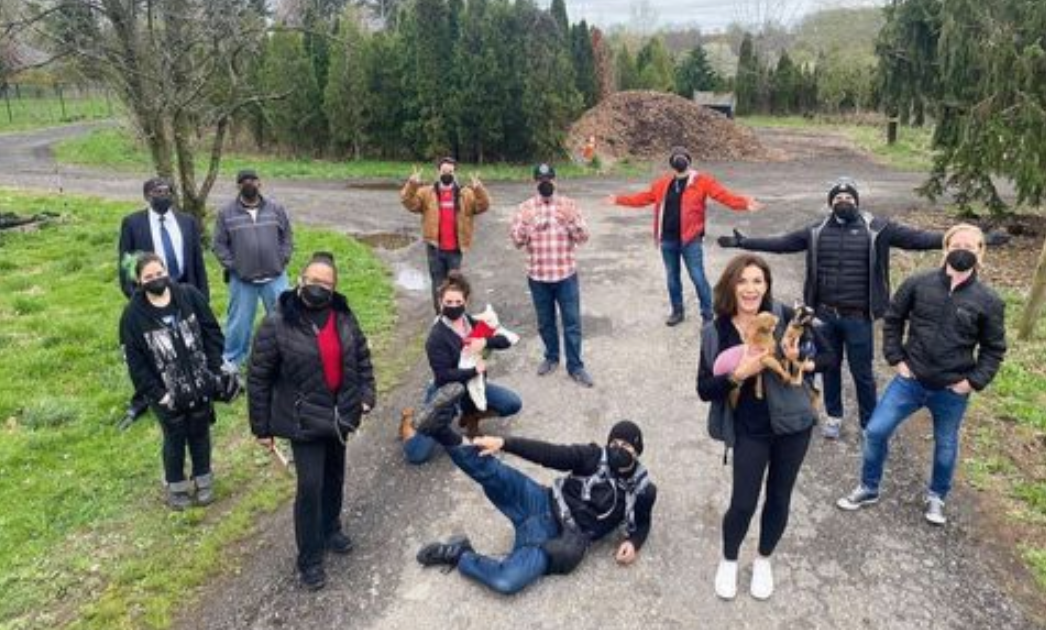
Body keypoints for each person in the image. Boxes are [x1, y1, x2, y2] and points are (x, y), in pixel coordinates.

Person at [718, 178, 944, 438]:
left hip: (859, 318)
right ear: (830, 204)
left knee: (863, 374)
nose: (844, 202)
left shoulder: (878, 229)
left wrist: (961, 239)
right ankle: (834, 416)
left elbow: (918, 239)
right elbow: (783, 243)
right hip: (824, 317)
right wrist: (744, 243)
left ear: (857, 202)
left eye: (849, 198)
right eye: (838, 199)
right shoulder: (816, 231)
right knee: (829, 367)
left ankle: (868, 422)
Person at [412, 384, 656, 595]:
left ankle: (460, 554)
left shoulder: (643, 491)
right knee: (492, 471)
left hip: (553, 538)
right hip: (540, 500)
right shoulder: (593, 456)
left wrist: (634, 542)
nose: (618, 449)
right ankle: (441, 429)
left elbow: (643, 523)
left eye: (626, 446)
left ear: (637, 451)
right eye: (614, 443)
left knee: (507, 581)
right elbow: (550, 453)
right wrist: (504, 443)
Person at [837, 224, 1006, 526]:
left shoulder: (989, 301)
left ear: (981, 254)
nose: (963, 250)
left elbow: (994, 349)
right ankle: (869, 487)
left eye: (971, 246)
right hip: (910, 381)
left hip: (952, 389)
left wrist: (972, 382)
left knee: (945, 447)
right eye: (957, 244)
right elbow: (893, 319)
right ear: (945, 248)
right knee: (875, 431)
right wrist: (896, 358)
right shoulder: (918, 283)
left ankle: (937, 497)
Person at [697, 254, 834, 601]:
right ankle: (728, 560)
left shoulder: (786, 317)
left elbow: (830, 357)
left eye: (757, 281)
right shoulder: (716, 332)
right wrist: (736, 376)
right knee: (743, 502)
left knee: (779, 497)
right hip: (749, 429)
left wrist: (799, 358)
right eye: (742, 281)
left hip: (794, 426)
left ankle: (763, 560)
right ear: (731, 286)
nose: (750, 288)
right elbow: (703, 389)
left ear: (767, 285)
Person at [248, 252, 376, 590]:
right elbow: (259, 376)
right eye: (314, 280)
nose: (319, 287)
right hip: (302, 419)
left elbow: (361, 355)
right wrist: (261, 428)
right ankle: (309, 558)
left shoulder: (343, 315)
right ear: (300, 280)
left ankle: (331, 528)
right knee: (310, 487)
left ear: (334, 289)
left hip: (340, 416)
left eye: (327, 283)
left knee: (335, 477)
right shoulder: (278, 321)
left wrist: (366, 395)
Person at [119, 253, 234, 510]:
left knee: (200, 431)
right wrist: (159, 395)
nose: (156, 279)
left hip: (199, 381)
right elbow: (135, 364)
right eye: (149, 277)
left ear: (166, 271)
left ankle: (204, 480)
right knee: (174, 437)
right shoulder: (132, 316)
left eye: (159, 273)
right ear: (139, 280)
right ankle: (176, 487)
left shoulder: (189, 295)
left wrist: (213, 370)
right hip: (165, 393)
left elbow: (212, 332)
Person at [607, 146, 763, 326]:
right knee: (672, 277)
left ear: (689, 161)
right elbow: (643, 198)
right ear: (672, 164)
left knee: (698, 277)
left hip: (691, 239)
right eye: (676, 158)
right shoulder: (663, 184)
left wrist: (744, 203)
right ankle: (677, 311)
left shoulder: (702, 181)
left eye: (682, 158)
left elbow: (723, 196)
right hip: (667, 239)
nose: (679, 161)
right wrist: (619, 200)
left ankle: (707, 315)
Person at [400, 271, 522, 464]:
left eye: (458, 302)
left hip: (472, 387)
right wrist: (474, 371)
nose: (454, 306)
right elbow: (443, 375)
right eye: (449, 302)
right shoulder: (437, 337)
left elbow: (505, 339)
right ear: (440, 302)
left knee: (512, 403)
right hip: (446, 393)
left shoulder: (471, 322)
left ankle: (470, 416)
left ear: (466, 301)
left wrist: (484, 341)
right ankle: (408, 422)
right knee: (417, 455)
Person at [117, 177, 210, 428]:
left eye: (168, 191)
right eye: (158, 191)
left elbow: (197, 263)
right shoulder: (133, 223)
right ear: (147, 195)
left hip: (183, 292)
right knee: (152, 352)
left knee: (189, 345)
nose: (164, 195)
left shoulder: (187, 222)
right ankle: (143, 400)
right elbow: (126, 266)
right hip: (150, 296)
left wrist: (202, 298)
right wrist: (138, 301)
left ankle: (203, 385)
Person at [511, 163, 593, 387]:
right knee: (545, 322)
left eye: (549, 179)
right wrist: (525, 224)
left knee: (572, 323)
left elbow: (584, 237)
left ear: (555, 180)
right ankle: (551, 357)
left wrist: (570, 220)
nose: (545, 183)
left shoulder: (568, 205)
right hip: (538, 276)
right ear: (534, 182)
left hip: (565, 275)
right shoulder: (525, 208)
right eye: (540, 179)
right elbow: (517, 241)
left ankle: (575, 366)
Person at [213, 169, 294, 372]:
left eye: (253, 180)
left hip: (275, 277)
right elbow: (219, 245)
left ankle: (289, 356)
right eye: (244, 181)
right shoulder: (226, 213)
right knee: (238, 324)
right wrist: (234, 266)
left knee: (285, 318)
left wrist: (282, 259)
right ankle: (232, 361)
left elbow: (287, 237)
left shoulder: (276, 209)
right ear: (238, 186)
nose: (249, 183)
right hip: (243, 280)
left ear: (260, 183)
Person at [400, 157, 491, 311]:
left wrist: (478, 188)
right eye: (444, 171)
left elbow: (484, 205)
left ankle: (455, 314)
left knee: (454, 285)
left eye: (450, 172)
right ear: (438, 172)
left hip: (455, 250)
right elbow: (408, 202)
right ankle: (440, 316)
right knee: (438, 284)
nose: (447, 174)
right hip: (435, 249)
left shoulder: (465, 194)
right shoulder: (427, 193)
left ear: (455, 173)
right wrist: (412, 184)